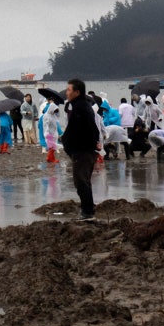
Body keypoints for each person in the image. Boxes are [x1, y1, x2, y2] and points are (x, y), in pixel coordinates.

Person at [62, 78, 101, 220]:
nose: (66, 93)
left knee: (81, 181)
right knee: (83, 180)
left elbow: (86, 129)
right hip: (82, 149)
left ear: (77, 92)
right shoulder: (80, 106)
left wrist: (68, 143)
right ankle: (87, 211)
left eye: (69, 90)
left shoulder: (80, 107)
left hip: (82, 150)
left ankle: (88, 212)